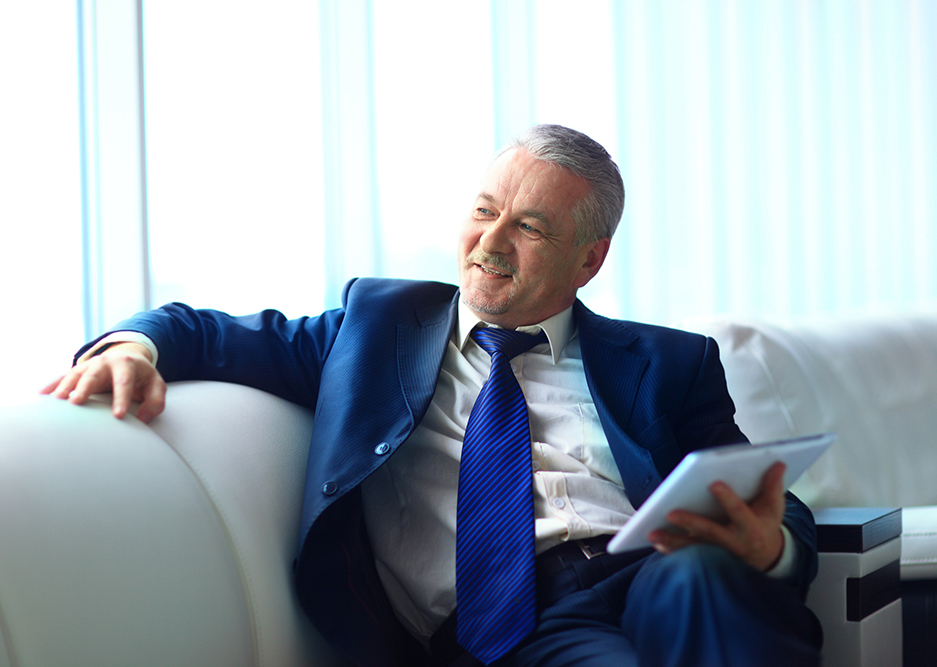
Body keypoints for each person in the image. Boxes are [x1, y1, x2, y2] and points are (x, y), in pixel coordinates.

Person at [44, 124, 822, 666]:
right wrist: (132, 346)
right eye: (484, 211)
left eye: (528, 228)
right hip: (517, 623)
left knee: (703, 575)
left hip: (656, 571)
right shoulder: (374, 326)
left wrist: (771, 545)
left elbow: (772, 502)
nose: (489, 242)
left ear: (589, 260)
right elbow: (202, 330)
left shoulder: (669, 361)